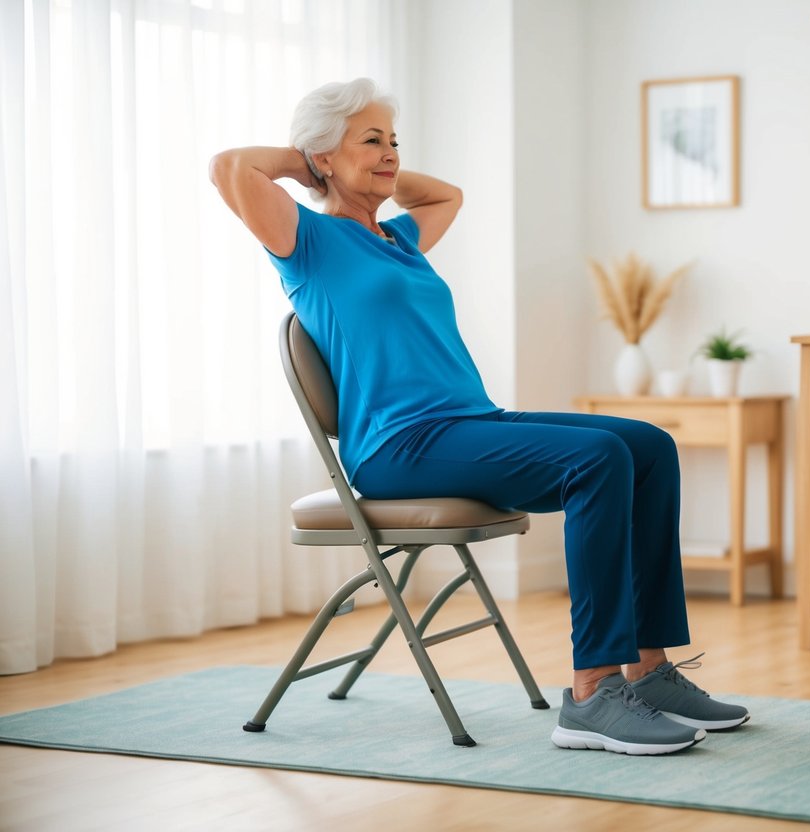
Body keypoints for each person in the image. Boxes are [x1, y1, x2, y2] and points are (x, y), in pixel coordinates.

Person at [210, 78, 748, 755]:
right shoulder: (306, 242)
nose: (390, 154)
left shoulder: (400, 240)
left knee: (647, 444)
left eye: (394, 140)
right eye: (371, 140)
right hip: (398, 448)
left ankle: (648, 669)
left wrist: (368, 162)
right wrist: (311, 161)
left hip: (468, 423)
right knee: (597, 457)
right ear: (322, 154)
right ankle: (591, 694)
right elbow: (229, 168)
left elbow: (446, 196)